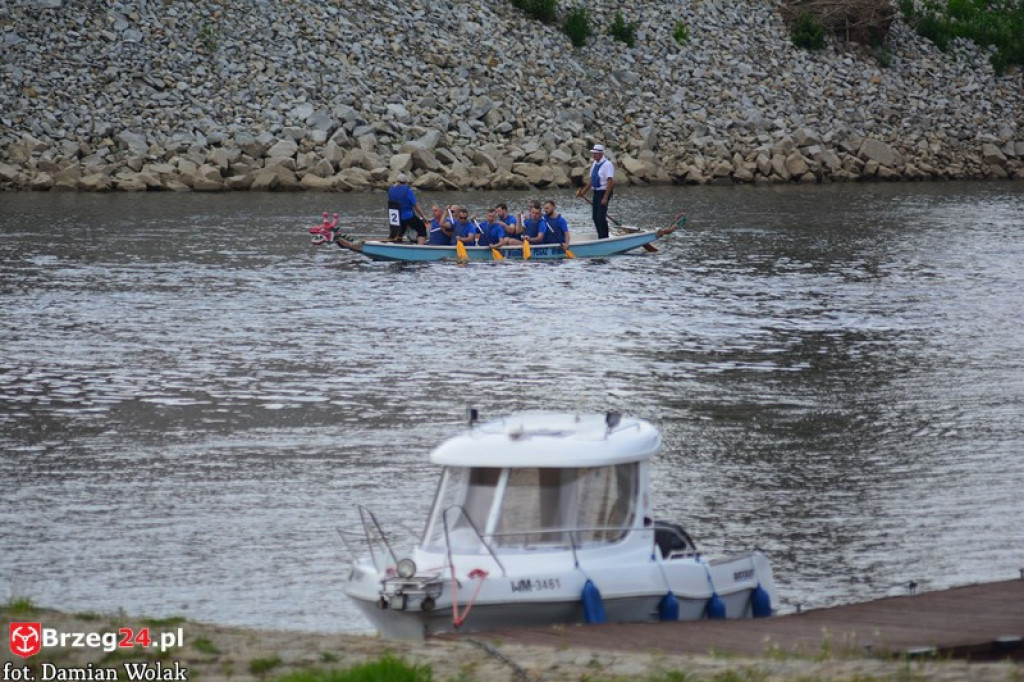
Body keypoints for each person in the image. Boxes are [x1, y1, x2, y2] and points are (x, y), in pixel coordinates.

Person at [576, 143, 615, 239]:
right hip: (596, 192)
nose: (594, 155)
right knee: (595, 217)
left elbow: (610, 181)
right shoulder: (594, 164)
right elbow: (591, 181)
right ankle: (600, 236)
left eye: (596, 154)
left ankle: (604, 237)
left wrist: (605, 197)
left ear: (601, 154)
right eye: (593, 153)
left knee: (601, 217)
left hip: (605, 191)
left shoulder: (607, 165)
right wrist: (583, 192)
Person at [387, 173, 427, 243]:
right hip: (407, 216)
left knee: (400, 231)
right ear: (406, 182)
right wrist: (423, 216)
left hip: (395, 218)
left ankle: (396, 244)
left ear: (397, 181)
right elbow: (416, 205)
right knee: (421, 228)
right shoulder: (408, 190)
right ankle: (421, 247)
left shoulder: (391, 189)